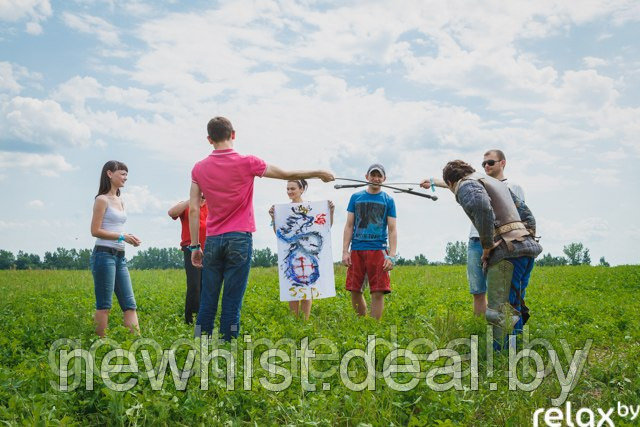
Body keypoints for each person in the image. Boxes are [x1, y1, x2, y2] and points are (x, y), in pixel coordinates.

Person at [189, 116, 334, 341]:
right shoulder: (248, 162)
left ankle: (199, 341)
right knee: (232, 301)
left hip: (213, 239)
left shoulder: (198, 169)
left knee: (208, 299)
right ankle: (228, 346)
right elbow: (286, 175)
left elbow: (194, 210)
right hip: (239, 238)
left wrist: (195, 246)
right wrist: (318, 173)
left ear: (209, 139)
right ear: (233, 134)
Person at [441, 160, 542, 349]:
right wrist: (526, 238)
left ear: (450, 182)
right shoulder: (493, 182)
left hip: (507, 254)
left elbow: (482, 207)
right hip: (525, 250)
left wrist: (487, 245)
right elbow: (528, 215)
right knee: (514, 306)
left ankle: (502, 355)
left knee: (499, 310)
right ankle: (515, 350)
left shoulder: (465, 184)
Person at [421, 149, 525, 316]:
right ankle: (479, 328)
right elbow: (457, 183)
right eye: (483, 163)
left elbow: (518, 216)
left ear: (502, 163)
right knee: (477, 290)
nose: (486, 166)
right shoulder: (477, 183)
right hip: (475, 241)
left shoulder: (513, 187)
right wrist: (433, 182)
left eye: (490, 162)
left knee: (499, 292)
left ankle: (500, 331)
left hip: (500, 242)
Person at [268, 179, 335, 320]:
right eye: (288, 189)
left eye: (293, 188)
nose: (290, 192)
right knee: (292, 286)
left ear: (301, 189)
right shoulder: (283, 210)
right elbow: (278, 233)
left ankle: (305, 321)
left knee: (307, 287)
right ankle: (294, 320)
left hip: (308, 253)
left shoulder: (312, 207)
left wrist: (331, 211)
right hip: (291, 253)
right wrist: (274, 217)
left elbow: (324, 228)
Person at [90, 160, 141, 337]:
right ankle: (100, 346)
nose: (125, 178)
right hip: (104, 255)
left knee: (130, 304)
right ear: (110, 174)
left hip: (120, 256)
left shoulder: (120, 200)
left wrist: (129, 237)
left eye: (126, 174)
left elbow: (115, 228)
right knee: (104, 305)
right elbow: (95, 231)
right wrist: (122, 237)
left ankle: (137, 344)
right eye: (122, 173)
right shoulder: (101, 200)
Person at [342, 164, 397, 320]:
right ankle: (362, 323)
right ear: (366, 177)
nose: (376, 178)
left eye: (379, 176)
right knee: (354, 290)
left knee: (378, 291)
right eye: (373, 175)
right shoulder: (356, 198)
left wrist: (391, 255)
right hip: (357, 248)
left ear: (384, 179)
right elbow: (349, 225)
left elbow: (392, 229)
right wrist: (345, 251)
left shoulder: (388, 200)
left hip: (378, 250)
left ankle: (374, 326)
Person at [168, 196, 209, 324]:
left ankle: (204, 318)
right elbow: (172, 213)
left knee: (207, 285)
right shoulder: (188, 205)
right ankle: (190, 320)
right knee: (194, 285)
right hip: (191, 248)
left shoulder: (212, 204)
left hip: (210, 249)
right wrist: (192, 199)